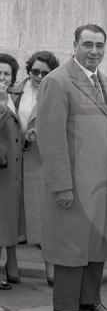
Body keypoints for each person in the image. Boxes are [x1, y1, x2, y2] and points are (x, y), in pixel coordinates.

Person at [37, 24, 107, 311]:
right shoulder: (57, 81)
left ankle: (90, 299)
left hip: (102, 183)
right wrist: (61, 185)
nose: (94, 51)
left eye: (99, 45)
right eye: (87, 44)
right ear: (74, 44)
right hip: (74, 183)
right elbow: (51, 139)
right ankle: (65, 305)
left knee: (96, 244)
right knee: (71, 245)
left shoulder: (105, 81)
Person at [11, 50, 60, 286]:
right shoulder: (15, 91)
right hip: (14, 157)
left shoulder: (56, 92)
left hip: (40, 161)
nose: (39, 76)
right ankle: (11, 265)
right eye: (35, 71)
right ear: (28, 70)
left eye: (45, 73)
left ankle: (51, 269)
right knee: (10, 215)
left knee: (44, 218)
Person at [0, 53, 22, 290]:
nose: (2, 77)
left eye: (6, 74)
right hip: (2, 169)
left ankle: (10, 266)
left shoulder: (10, 99)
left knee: (6, 220)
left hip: (11, 171)